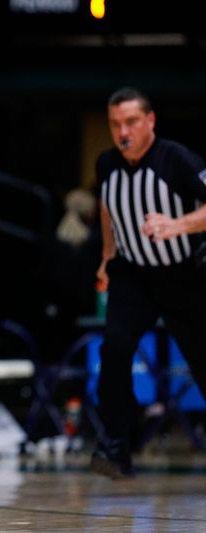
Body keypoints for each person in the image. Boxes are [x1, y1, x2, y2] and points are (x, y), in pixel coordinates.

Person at [91, 87, 206, 479]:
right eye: (115, 124)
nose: (122, 131)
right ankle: (116, 444)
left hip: (183, 274)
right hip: (133, 275)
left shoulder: (177, 159)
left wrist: (177, 225)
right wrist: (107, 256)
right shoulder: (106, 164)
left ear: (150, 121)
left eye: (131, 122)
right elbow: (108, 209)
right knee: (114, 350)